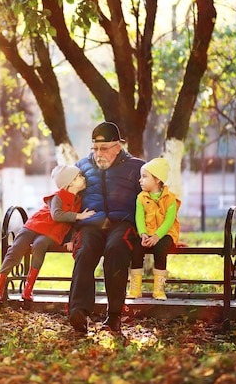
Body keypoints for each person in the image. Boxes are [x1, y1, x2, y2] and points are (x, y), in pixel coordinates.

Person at [68, 122, 144, 334]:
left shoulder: (137, 168)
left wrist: (161, 232)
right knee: (84, 251)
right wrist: (68, 232)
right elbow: (67, 200)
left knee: (116, 249)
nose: (98, 154)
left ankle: (114, 315)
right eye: (95, 149)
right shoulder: (81, 167)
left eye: (103, 149)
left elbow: (155, 200)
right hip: (90, 224)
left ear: (117, 147)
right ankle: (78, 312)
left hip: (123, 223)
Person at [0, 164, 95, 306]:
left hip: (52, 234)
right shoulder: (58, 197)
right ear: (71, 182)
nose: (83, 178)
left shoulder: (78, 201)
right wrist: (79, 216)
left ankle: (28, 289)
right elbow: (57, 215)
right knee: (15, 251)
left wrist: (71, 239)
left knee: (40, 245)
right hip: (35, 226)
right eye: (79, 176)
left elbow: (74, 225)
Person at [127, 157, 181, 301]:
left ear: (157, 179)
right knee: (137, 248)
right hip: (147, 231)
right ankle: (135, 288)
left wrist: (157, 236)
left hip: (166, 233)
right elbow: (139, 218)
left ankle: (159, 289)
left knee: (160, 248)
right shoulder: (141, 197)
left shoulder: (170, 198)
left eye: (144, 176)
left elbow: (169, 221)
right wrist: (143, 234)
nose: (140, 180)